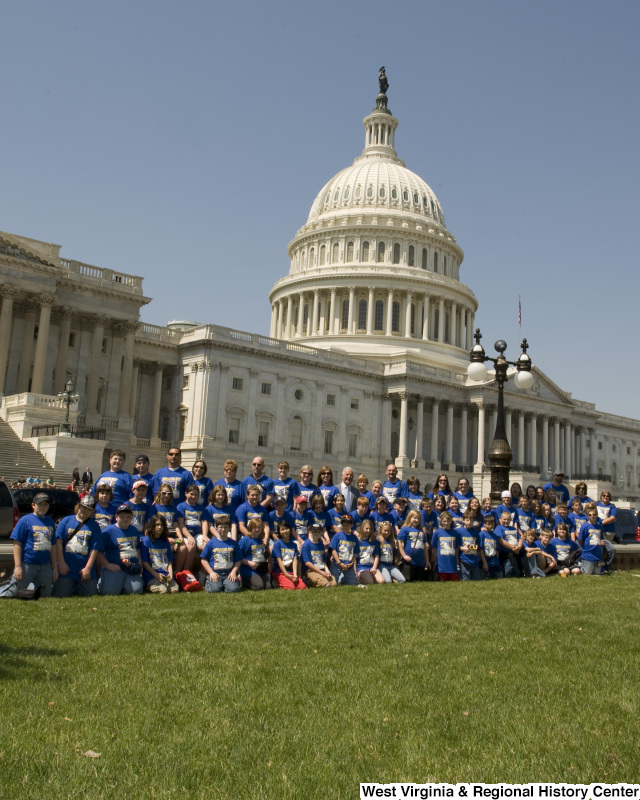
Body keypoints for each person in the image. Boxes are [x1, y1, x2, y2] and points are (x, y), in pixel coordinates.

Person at [54, 495, 103, 597]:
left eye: (88, 509)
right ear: (78, 506)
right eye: (83, 507)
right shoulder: (66, 520)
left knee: (91, 594)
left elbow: (94, 549)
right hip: (67, 567)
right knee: (60, 594)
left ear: (92, 512)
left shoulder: (94, 525)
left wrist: (88, 568)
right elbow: (58, 542)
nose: (85, 511)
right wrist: (61, 563)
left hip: (84, 567)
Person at [11, 492, 58, 597]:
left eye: (46, 504)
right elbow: (17, 544)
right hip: (27, 564)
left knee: (46, 595)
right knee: (17, 593)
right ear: (33, 505)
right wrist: (18, 566)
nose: (43, 507)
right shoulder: (25, 521)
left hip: (45, 566)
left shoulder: (50, 522)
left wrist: (54, 567)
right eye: (40, 504)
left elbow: (53, 546)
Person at [98, 505, 143, 595]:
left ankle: (122, 584)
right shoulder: (108, 531)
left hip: (131, 568)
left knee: (136, 591)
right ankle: (102, 581)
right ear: (116, 517)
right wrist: (108, 565)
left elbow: (137, 548)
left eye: (128, 517)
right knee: (110, 592)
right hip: (115, 568)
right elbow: (98, 552)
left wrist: (139, 563)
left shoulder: (134, 530)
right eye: (122, 516)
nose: (125, 519)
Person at [200, 514, 242, 593]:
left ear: (229, 528)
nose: (223, 529)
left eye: (225, 527)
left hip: (229, 573)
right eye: (220, 527)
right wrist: (211, 572)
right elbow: (203, 559)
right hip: (215, 573)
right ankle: (210, 581)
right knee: (214, 590)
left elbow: (238, 560)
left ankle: (227, 584)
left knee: (233, 589)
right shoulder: (211, 543)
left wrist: (233, 572)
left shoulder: (233, 544)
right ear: (217, 528)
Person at [140, 515, 179, 593]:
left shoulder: (166, 542)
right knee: (163, 590)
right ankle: (148, 586)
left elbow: (169, 561)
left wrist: (170, 573)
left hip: (165, 574)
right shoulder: (146, 541)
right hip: (152, 575)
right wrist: (155, 574)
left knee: (175, 590)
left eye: (162, 525)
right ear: (152, 526)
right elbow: (144, 562)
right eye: (157, 525)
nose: (159, 527)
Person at [176, 484, 208, 570]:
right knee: (191, 546)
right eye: (191, 494)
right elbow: (181, 524)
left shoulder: (201, 508)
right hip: (186, 534)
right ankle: (179, 571)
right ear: (186, 494)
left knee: (206, 546)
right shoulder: (181, 506)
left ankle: (189, 572)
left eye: (196, 495)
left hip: (198, 533)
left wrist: (204, 535)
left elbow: (204, 522)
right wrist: (189, 536)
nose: (193, 496)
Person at [271, 521, 306, 590]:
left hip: (291, 571)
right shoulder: (277, 544)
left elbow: (295, 560)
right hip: (280, 571)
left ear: (290, 530)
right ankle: (276, 582)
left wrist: (295, 574)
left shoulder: (293, 545)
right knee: (290, 587)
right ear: (279, 531)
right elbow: (279, 561)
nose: (285, 531)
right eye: (282, 529)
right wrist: (286, 574)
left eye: (287, 529)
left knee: (302, 587)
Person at [239, 518, 271, 590]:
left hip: (259, 569)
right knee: (258, 586)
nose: (257, 529)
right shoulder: (245, 540)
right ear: (250, 528)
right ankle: (243, 581)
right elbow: (238, 556)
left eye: (259, 527)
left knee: (268, 586)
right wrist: (249, 563)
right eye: (255, 527)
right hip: (248, 569)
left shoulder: (261, 540)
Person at [301, 523, 337, 588]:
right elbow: (307, 563)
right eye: (314, 531)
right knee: (324, 583)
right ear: (310, 532)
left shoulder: (321, 544)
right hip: (311, 570)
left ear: (321, 533)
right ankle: (308, 580)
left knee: (333, 583)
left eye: (318, 531)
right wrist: (321, 572)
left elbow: (323, 560)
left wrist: (326, 570)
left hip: (321, 569)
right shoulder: (306, 544)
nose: (316, 533)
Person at [398, 510, 428, 582]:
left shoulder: (421, 531)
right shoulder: (405, 529)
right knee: (408, 580)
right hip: (409, 561)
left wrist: (427, 561)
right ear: (409, 518)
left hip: (420, 561)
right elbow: (399, 542)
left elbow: (425, 546)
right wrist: (404, 555)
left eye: (418, 518)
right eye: (414, 518)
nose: (416, 520)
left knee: (418, 581)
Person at [329, 515, 359, 585]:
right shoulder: (337, 536)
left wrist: (352, 562)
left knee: (353, 583)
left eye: (347, 525)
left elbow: (355, 552)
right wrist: (339, 562)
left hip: (349, 564)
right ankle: (337, 579)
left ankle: (343, 579)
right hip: (337, 564)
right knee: (333, 583)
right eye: (343, 524)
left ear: (351, 525)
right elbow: (333, 550)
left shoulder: (354, 538)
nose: (345, 526)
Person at [430, 511, 460, 581]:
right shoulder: (437, 533)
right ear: (441, 521)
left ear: (451, 521)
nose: (446, 523)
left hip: (452, 564)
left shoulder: (455, 533)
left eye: (448, 521)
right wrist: (435, 560)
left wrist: (457, 560)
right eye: (444, 521)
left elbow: (457, 548)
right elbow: (434, 548)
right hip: (441, 564)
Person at [578, 504, 606, 574]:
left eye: (594, 514)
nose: (592, 516)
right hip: (588, 554)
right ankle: (578, 566)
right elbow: (580, 540)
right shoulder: (585, 526)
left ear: (596, 515)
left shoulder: (599, 526)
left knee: (597, 574)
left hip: (597, 554)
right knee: (587, 573)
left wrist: (602, 542)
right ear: (587, 516)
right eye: (590, 515)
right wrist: (585, 546)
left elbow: (601, 538)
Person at [458, 511, 486, 581]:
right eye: (467, 520)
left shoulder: (475, 531)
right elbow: (456, 546)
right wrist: (463, 548)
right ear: (463, 520)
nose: (469, 522)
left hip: (474, 559)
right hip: (464, 560)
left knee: (477, 580)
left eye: (471, 520)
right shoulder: (459, 531)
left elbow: (478, 543)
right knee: (466, 580)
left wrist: (476, 546)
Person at [355, 518, 383, 585]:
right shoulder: (357, 541)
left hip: (371, 566)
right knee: (370, 582)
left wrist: (374, 567)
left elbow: (376, 556)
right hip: (361, 567)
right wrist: (355, 571)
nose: (368, 530)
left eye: (370, 529)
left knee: (381, 581)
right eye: (366, 528)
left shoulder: (374, 541)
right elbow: (354, 558)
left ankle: (369, 578)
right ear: (362, 528)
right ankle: (359, 579)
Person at [480, 514, 501, 579]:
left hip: (494, 562)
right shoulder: (482, 534)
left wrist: (497, 559)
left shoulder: (495, 535)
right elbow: (480, 549)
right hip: (486, 561)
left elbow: (497, 549)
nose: (490, 526)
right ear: (484, 524)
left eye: (492, 524)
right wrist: (484, 562)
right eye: (488, 524)